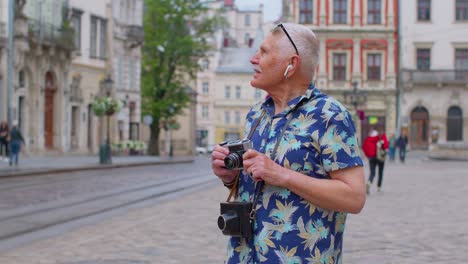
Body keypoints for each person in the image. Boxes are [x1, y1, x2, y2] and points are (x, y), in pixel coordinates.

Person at [211, 23, 365, 263]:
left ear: (290, 64)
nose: (253, 59)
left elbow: (354, 198)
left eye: (263, 52)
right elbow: (255, 186)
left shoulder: (329, 115)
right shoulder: (257, 114)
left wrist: (282, 175)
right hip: (244, 255)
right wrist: (230, 177)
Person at [363, 128, 389, 194]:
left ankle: (369, 183)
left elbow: (364, 147)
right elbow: (386, 145)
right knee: (380, 172)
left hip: (371, 158)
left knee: (372, 172)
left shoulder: (368, 138)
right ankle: (379, 187)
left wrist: (368, 155)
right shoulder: (381, 136)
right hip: (380, 157)